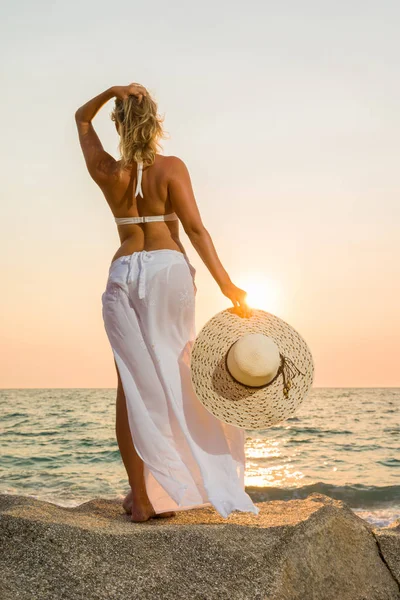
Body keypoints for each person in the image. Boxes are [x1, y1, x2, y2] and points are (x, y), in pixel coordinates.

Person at [74, 83, 258, 522]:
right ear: (156, 122)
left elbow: (81, 118)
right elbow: (195, 230)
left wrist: (111, 91)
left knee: (131, 386)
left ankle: (142, 497)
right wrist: (228, 285)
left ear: (117, 124)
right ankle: (189, 479)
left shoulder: (107, 170)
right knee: (180, 370)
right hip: (166, 271)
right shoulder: (171, 167)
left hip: (123, 272)